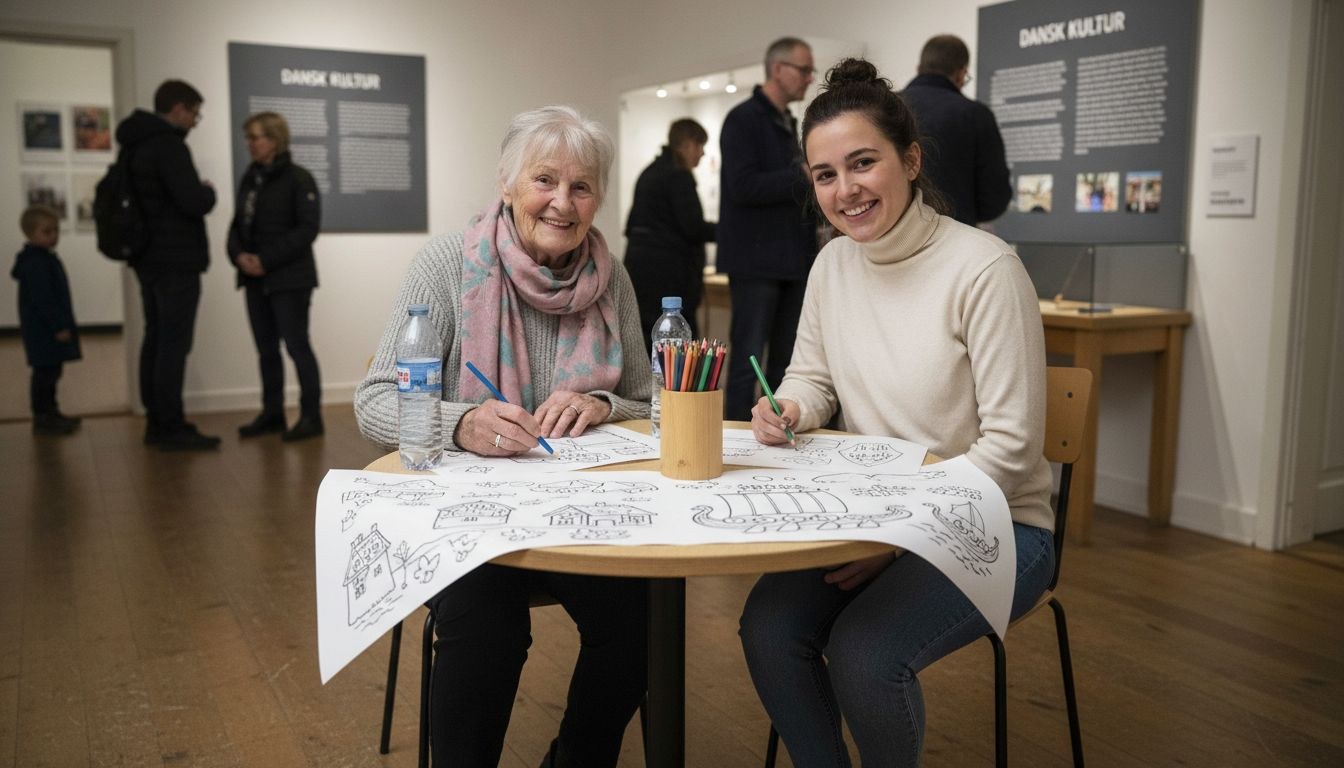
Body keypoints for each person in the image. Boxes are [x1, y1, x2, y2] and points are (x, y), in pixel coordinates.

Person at [738, 59, 1054, 766]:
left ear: (909, 161)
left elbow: (1010, 451)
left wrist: (905, 538)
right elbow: (813, 378)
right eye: (825, 175)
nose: (845, 190)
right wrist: (789, 405)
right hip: (877, 515)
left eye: (863, 163)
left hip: (1001, 523)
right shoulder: (832, 264)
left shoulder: (985, 269)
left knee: (864, 654)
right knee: (767, 627)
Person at [354, 105, 651, 768]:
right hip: (468, 521)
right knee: (488, 627)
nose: (562, 202)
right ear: (507, 184)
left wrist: (601, 404)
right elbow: (374, 403)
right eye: (544, 180)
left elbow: (648, 403)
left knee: (645, 620)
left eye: (581, 187)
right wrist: (460, 423)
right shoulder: (447, 265)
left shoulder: (613, 277)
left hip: (580, 518)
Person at [717, 36, 820, 420]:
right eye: (804, 69)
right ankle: (734, 438)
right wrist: (802, 174)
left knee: (785, 364)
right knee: (747, 362)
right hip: (756, 263)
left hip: (791, 261)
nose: (810, 78)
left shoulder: (787, 121)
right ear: (778, 69)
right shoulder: (743, 119)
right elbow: (742, 186)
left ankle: (775, 431)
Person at [115, 79, 219, 451]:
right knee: (173, 344)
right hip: (175, 261)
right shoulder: (168, 146)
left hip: (147, 258)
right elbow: (193, 201)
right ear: (178, 109)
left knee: (156, 338)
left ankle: (156, 422)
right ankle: (171, 425)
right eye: (194, 113)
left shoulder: (135, 143)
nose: (194, 121)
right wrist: (208, 191)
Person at [227, 111, 324, 441]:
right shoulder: (250, 178)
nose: (250, 144)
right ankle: (272, 413)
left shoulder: (299, 179)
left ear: (275, 139)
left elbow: (307, 229)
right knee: (266, 350)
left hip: (290, 280)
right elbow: (237, 225)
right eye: (248, 138)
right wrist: (238, 255)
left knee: (297, 346)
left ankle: (311, 416)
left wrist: (265, 260)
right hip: (255, 280)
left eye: (255, 137)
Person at [901, 34, 1011, 227]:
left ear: (919, 69)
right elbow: (994, 199)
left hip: (893, 234)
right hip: (954, 234)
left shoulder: (885, 108)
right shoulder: (975, 114)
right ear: (961, 74)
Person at [623, 117, 717, 338]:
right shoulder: (678, 175)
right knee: (677, 340)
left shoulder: (650, 172)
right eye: (700, 145)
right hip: (670, 276)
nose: (702, 153)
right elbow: (693, 227)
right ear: (688, 144)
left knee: (649, 336)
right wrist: (731, 231)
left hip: (640, 271)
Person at [11, 205, 82, 435]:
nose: (54, 236)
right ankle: (43, 417)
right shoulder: (36, 263)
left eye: (56, 231)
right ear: (30, 234)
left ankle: (51, 413)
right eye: (47, 232)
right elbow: (44, 299)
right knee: (45, 374)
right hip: (43, 331)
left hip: (45, 329)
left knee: (52, 372)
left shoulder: (43, 259)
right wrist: (59, 325)